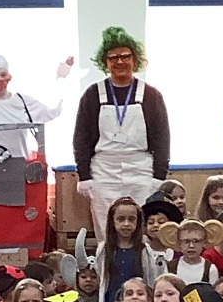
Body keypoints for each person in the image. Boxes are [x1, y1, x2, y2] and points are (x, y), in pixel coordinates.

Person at [72, 27, 170, 229]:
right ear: (105, 63)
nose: (120, 62)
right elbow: (81, 138)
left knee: (142, 230)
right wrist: (84, 176)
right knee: (106, 230)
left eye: (125, 56)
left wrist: (158, 175)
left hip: (140, 170)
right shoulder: (92, 94)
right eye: (113, 57)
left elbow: (162, 138)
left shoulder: (151, 95)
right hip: (104, 172)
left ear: (135, 59)